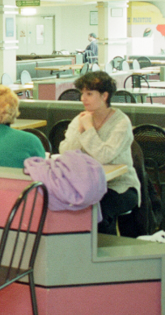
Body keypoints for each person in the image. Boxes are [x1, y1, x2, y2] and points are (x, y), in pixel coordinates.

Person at [59, 71, 140, 235]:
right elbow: (65, 152)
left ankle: (103, 254)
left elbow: (104, 157)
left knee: (98, 210)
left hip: (119, 186)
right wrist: (80, 130)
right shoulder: (80, 119)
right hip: (87, 183)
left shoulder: (121, 122)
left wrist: (88, 129)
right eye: (82, 93)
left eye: (89, 94)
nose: (83, 98)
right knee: (64, 204)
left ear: (104, 96)